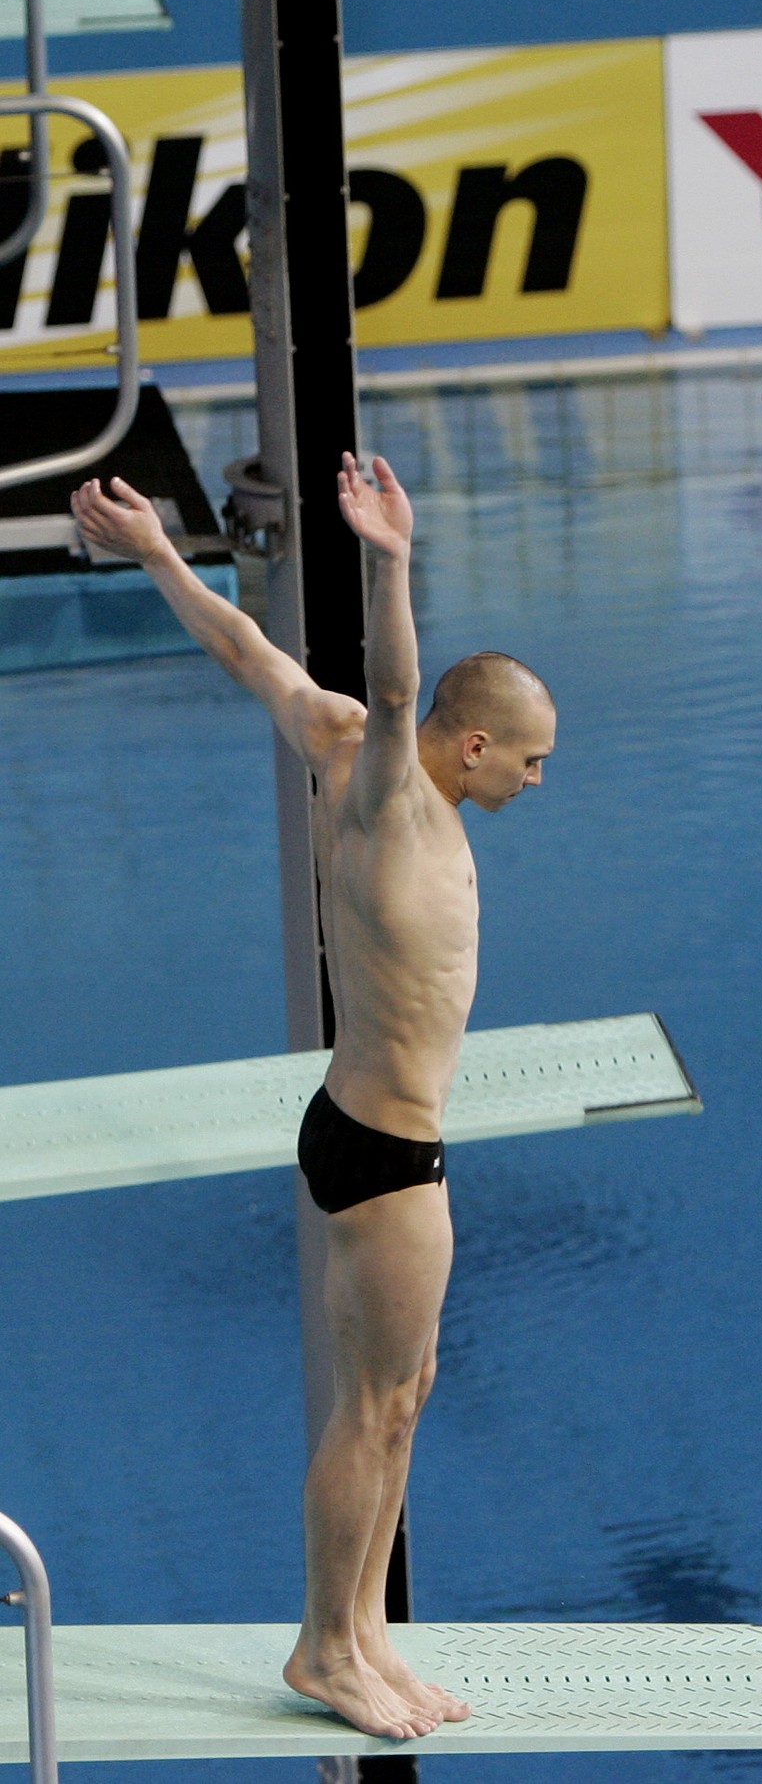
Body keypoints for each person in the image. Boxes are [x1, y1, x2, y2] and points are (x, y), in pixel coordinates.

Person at [69, 455, 556, 1741]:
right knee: (376, 1402)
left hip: (365, 1127)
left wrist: (161, 555)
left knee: (408, 1387)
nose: (536, 780)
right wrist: (394, 559)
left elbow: (248, 653)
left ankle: (364, 1629)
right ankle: (323, 1648)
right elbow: (396, 685)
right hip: (390, 1146)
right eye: (530, 759)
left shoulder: (335, 740)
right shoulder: (393, 785)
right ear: (470, 743)